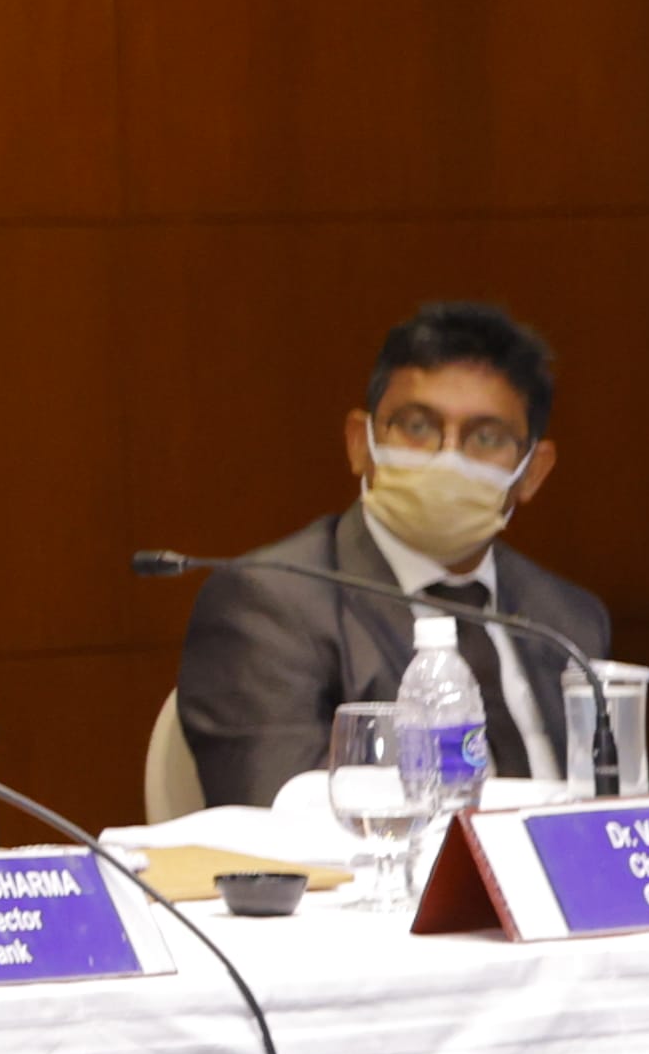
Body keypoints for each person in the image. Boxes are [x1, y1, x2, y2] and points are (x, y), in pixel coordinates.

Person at [175, 299, 608, 808]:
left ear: (532, 471)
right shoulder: (268, 605)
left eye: (486, 437)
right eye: (417, 426)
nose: (448, 457)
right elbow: (278, 815)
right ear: (360, 444)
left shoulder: (568, 619)